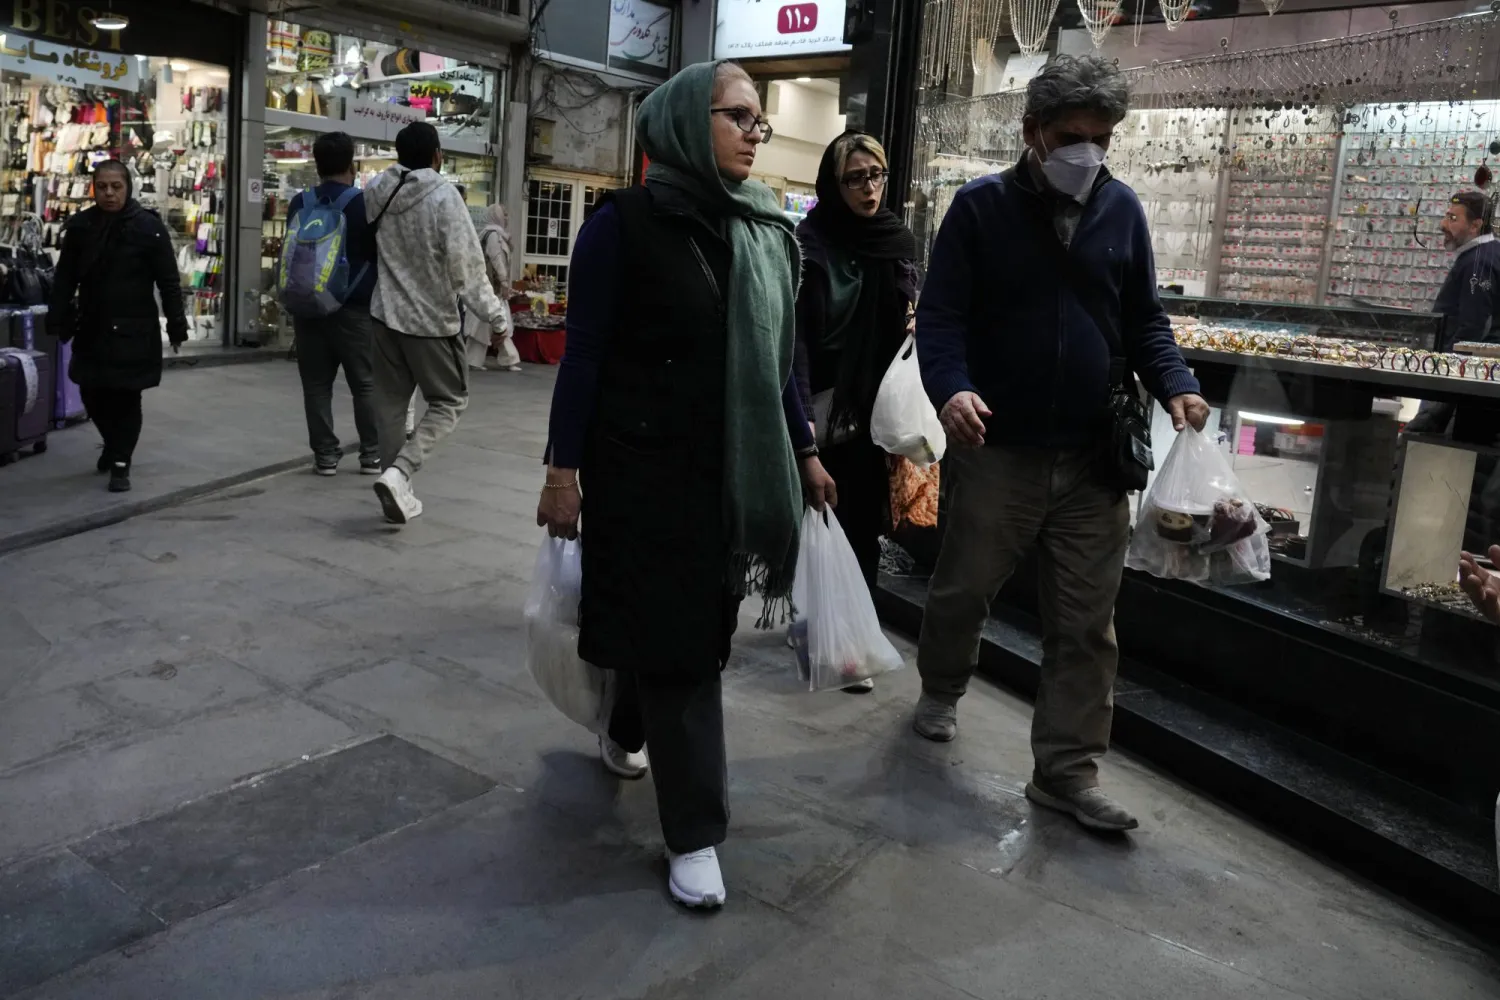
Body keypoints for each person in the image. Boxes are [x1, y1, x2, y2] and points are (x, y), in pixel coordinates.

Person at [536, 60, 833, 909]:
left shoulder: (765, 228)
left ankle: (627, 723)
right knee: (685, 649)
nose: (754, 132)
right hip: (640, 469)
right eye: (736, 114)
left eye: (759, 121)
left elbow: (777, 364)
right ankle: (695, 833)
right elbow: (583, 355)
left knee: (690, 628)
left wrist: (803, 451)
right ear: (678, 123)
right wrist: (563, 470)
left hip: (731, 472)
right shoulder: (620, 225)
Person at [913, 54, 1209, 833]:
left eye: (1103, 138)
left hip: (1091, 459)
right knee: (963, 588)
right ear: (1032, 133)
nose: (1089, 152)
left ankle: (1066, 772)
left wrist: (1175, 380)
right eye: (1073, 136)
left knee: (1085, 624)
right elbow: (940, 318)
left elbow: (1144, 317)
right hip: (997, 449)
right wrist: (952, 389)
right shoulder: (979, 211)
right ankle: (942, 685)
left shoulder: (1124, 213)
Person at [792, 130, 919, 693]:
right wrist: (800, 417)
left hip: (871, 403)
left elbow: (908, 310)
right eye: (855, 177)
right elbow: (794, 338)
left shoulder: (894, 240)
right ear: (832, 182)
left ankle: (851, 642)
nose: (870, 188)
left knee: (861, 522)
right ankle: (815, 621)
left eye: (877, 175)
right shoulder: (808, 242)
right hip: (815, 396)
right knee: (814, 516)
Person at [364, 121, 508, 525]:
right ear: (437, 155)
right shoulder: (445, 196)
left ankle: (394, 484)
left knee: (391, 405)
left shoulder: (378, 190)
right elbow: (466, 269)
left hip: (384, 314)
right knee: (449, 401)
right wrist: (496, 316)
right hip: (431, 321)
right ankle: (400, 473)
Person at [48, 160, 187, 493]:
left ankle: (121, 462)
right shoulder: (81, 227)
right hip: (92, 325)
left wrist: (176, 326)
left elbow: (168, 281)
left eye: (116, 186)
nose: (109, 193)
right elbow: (65, 278)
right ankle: (112, 443)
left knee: (126, 397)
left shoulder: (149, 228)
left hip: (134, 328)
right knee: (90, 391)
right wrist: (57, 316)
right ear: (94, 187)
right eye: (102, 186)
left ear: (128, 187)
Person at [285, 131, 381, 476]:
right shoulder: (362, 203)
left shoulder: (300, 202)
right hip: (353, 307)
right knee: (365, 383)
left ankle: (325, 456)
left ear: (316, 163)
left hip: (307, 304)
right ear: (351, 164)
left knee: (316, 385)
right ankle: (371, 455)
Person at [1406, 191, 1500, 435]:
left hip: (1462, 378)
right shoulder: (1483, 255)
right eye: (1446, 216)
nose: (1443, 225)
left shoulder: (1479, 262)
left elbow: (1475, 326)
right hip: (1468, 377)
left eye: (1453, 218)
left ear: (1475, 225)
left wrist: (1444, 377)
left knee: (1424, 440)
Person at [462, 204, 522, 373]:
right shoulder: (494, 235)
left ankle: (483, 359)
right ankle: (506, 359)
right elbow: (496, 259)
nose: (507, 218)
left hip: (489, 287)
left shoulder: (494, 234)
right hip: (491, 287)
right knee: (494, 320)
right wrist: (503, 282)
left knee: (489, 322)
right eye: (504, 214)